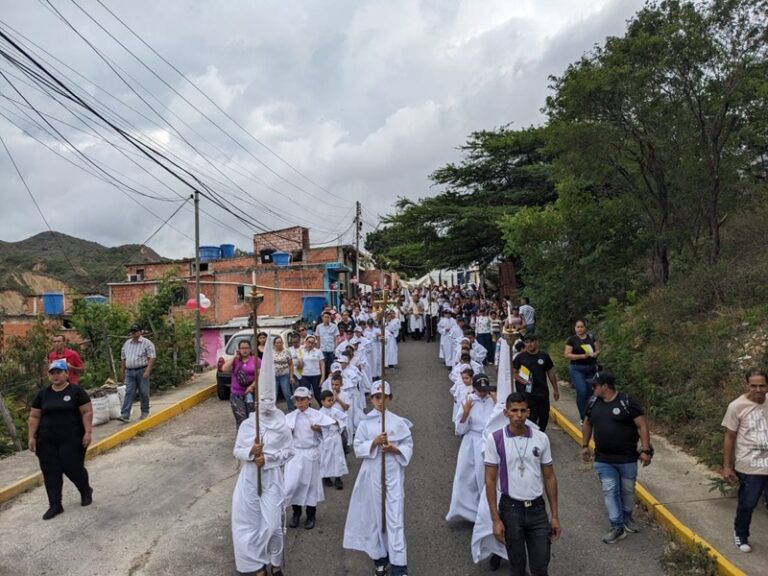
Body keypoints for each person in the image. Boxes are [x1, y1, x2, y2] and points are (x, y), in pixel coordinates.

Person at [231, 342, 294, 576]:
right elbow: (237, 450)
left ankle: (275, 563)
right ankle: (257, 566)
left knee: (273, 526)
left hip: (272, 479)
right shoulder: (249, 424)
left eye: (270, 399)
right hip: (250, 478)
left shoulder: (282, 424)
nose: (266, 404)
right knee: (249, 524)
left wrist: (267, 458)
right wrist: (251, 452)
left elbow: (289, 452)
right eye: (263, 399)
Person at [484, 392, 561, 576]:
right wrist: (495, 520)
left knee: (541, 566)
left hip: (537, 509)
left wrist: (555, 516)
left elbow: (549, 477)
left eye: (523, 410)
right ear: (506, 413)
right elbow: (490, 479)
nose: (519, 415)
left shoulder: (541, 438)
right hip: (511, 509)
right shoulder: (495, 439)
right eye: (514, 410)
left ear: (528, 412)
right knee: (517, 567)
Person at [343, 380, 413, 576]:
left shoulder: (398, 422)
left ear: (389, 398)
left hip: (393, 472)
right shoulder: (364, 423)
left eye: (384, 397)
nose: (380, 401)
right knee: (376, 517)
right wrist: (374, 442)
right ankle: (380, 557)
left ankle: (399, 566)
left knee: (395, 518)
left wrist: (394, 449)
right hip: (372, 473)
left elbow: (408, 444)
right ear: (371, 399)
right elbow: (358, 448)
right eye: (376, 397)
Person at [581, 371, 652, 544]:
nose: (592, 388)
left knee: (627, 491)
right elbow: (587, 423)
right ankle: (617, 526)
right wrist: (585, 445)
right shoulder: (592, 402)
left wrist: (645, 450)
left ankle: (627, 517)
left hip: (627, 458)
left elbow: (642, 425)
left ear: (605, 386)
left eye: (595, 385)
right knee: (610, 490)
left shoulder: (627, 402)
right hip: (603, 458)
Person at [27, 359, 94, 520]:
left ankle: (85, 491)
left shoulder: (76, 391)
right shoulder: (43, 394)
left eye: (59, 372)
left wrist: (87, 432)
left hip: (72, 438)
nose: (55, 376)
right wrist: (31, 436)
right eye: (52, 373)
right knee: (51, 472)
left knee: (73, 468)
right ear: (49, 376)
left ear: (66, 374)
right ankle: (55, 505)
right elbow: (34, 416)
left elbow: (87, 412)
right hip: (47, 440)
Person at [722, 369, 768, 553]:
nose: (758, 390)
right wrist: (727, 466)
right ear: (746, 385)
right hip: (749, 465)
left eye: (762, 385)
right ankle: (741, 534)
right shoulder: (736, 406)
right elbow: (729, 437)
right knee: (748, 503)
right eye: (753, 385)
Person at [446, 373, 496, 523]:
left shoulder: (492, 400)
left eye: (485, 390)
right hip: (472, 441)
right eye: (480, 390)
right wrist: (466, 414)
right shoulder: (468, 400)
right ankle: (469, 512)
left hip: (489, 441)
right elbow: (459, 430)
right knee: (467, 477)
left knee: (487, 477)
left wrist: (497, 403)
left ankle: (488, 512)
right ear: (474, 388)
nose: (484, 393)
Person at [284, 386, 335, 530]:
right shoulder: (290, 417)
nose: (300, 403)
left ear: (309, 399)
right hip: (295, 454)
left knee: (311, 486)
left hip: (310, 453)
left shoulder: (317, 416)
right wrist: (288, 433)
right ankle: (296, 513)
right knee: (294, 484)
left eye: (302, 399)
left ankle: (311, 515)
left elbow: (330, 431)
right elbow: (282, 437)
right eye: (297, 400)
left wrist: (319, 429)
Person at [512, 334, 559, 432]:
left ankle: (541, 434)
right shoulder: (520, 357)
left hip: (542, 392)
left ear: (537, 342)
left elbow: (550, 372)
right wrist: (523, 381)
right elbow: (514, 372)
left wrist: (555, 389)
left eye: (532, 341)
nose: (529, 344)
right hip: (527, 393)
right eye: (527, 342)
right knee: (531, 417)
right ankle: (532, 435)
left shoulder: (544, 356)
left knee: (544, 416)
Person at [119, 324, 156, 422]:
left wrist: (148, 370)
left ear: (140, 332)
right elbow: (123, 358)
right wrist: (122, 371)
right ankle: (125, 414)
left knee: (143, 391)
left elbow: (152, 357)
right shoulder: (127, 344)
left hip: (142, 370)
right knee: (129, 392)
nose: (133, 333)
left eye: (135, 331)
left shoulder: (146, 343)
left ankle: (145, 411)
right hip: (129, 371)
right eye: (132, 331)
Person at [564, 320, 600, 421]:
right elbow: (567, 355)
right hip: (577, 368)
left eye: (581, 327)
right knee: (582, 391)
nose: (580, 329)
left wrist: (595, 354)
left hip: (591, 368)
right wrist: (581, 356)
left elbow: (597, 349)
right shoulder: (572, 340)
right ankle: (583, 416)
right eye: (578, 327)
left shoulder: (591, 338)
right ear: (575, 328)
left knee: (590, 392)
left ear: (585, 327)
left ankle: (590, 414)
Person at [221, 339, 259, 430]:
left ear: (250, 349)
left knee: (251, 418)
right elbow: (224, 369)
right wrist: (234, 357)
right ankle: (241, 437)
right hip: (236, 395)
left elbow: (260, 375)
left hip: (251, 394)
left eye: (246, 348)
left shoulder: (255, 360)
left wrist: (252, 386)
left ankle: (251, 437)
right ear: (239, 349)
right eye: (242, 348)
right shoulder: (236, 360)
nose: (244, 350)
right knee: (241, 420)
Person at [319, 389, 349, 490]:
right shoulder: (319, 413)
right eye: (329, 400)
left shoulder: (336, 411)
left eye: (332, 400)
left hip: (336, 437)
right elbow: (317, 425)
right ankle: (325, 476)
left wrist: (337, 422)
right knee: (326, 459)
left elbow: (343, 420)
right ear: (322, 402)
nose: (331, 402)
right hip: (325, 439)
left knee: (338, 458)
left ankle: (338, 478)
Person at [297, 335, 325, 405]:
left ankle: (324, 408)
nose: (310, 344)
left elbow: (322, 364)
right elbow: (300, 366)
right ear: (305, 342)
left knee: (317, 394)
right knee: (305, 394)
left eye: (312, 343)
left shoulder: (318, 351)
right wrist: (299, 362)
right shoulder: (301, 351)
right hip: (305, 375)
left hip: (316, 375)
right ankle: (307, 408)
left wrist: (322, 377)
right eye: (309, 342)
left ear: (314, 344)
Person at [272, 335, 294, 412]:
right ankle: (272, 411)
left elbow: (291, 365)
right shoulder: (271, 352)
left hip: (284, 375)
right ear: (274, 344)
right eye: (277, 343)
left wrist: (291, 377)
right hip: (274, 376)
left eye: (280, 342)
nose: (279, 344)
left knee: (287, 393)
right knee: (274, 394)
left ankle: (291, 410)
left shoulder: (287, 351)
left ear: (283, 343)